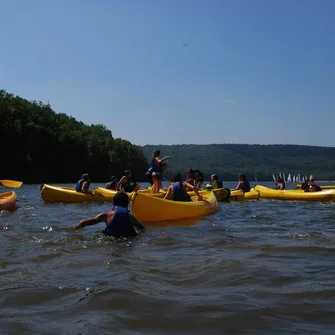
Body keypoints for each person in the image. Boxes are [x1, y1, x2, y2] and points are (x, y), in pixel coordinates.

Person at [76, 192, 145, 238]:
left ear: (113, 202)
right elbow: (142, 228)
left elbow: (83, 223)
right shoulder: (131, 218)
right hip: (129, 242)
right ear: (127, 204)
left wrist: (75, 230)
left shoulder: (107, 215)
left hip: (111, 241)